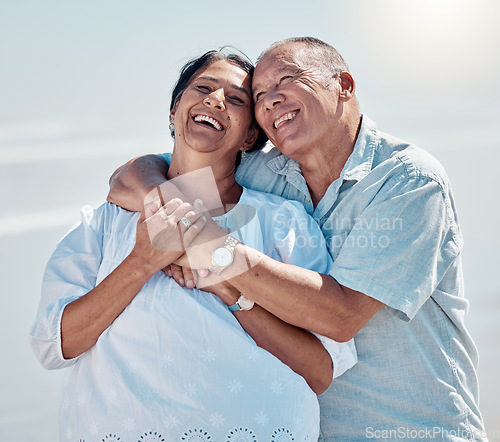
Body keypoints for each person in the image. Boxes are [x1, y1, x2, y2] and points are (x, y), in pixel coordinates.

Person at [108, 37, 487, 441]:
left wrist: (208, 247)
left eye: (286, 80)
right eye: (257, 96)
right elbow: (140, 172)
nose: (269, 101)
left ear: (344, 84)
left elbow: (340, 318)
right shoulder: (262, 174)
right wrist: (165, 208)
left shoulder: (407, 181)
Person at [29, 49, 357, 441]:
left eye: (236, 99)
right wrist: (141, 262)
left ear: (251, 135)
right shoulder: (105, 220)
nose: (215, 100)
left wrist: (229, 289)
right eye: (202, 88)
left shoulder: (283, 222)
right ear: (173, 111)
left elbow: (320, 373)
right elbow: (54, 346)